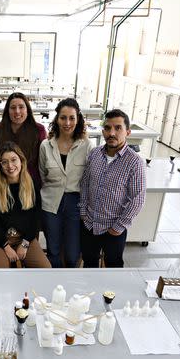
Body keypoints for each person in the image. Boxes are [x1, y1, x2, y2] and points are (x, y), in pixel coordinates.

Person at [79, 108, 146, 268]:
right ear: (103, 131)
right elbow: (85, 184)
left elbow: (138, 199)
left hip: (114, 228)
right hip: (90, 224)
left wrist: (119, 227)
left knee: (113, 266)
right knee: (89, 263)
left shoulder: (134, 162)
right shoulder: (95, 154)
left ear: (127, 132)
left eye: (118, 128)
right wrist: (83, 212)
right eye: (108, 128)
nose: (112, 133)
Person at [39, 98, 90, 268]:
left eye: (72, 118)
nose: (67, 123)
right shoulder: (46, 146)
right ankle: (54, 284)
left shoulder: (87, 146)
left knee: (72, 254)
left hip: (75, 203)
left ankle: (69, 284)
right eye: (63, 118)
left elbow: (89, 178)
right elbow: (42, 175)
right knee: (53, 250)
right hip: (50, 202)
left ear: (78, 119)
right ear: (57, 119)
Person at [0, 143, 50, 269]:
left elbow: (35, 218)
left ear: (21, 161)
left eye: (14, 160)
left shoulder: (32, 184)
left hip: (23, 238)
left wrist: (25, 244)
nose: (10, 166)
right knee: (0, 273)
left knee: (45, 269)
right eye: (4, 162)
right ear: (0, 166)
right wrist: (6, 247)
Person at [0, 92, 47, 187]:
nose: (17, 111)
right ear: (7, 111)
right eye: (13, 107)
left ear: (27, 110)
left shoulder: (38, 130)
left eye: (21, 107)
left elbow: (42, 161)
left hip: (30, 184)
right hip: (4, 183)